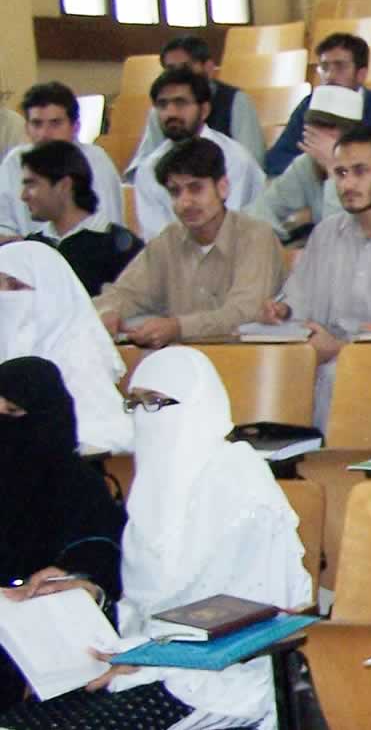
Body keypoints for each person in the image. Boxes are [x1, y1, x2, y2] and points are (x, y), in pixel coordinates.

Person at [0, 348, 309, 730]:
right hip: (147, 664)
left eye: (157, 403)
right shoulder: (153, 490)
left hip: (222, 682)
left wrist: (148, 658)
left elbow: (252, 616)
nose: (145, 417)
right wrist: (88, 591)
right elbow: (146, 604)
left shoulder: (238, 483)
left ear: (198, 403)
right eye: (135, 403)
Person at [259, 127, 371, 426]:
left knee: (332, 375)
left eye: (360, 172)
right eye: (341, 173)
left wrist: (342, 350)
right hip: (320, 364)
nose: (348, 184)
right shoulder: (325, 234)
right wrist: (281, 311)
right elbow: (298, 302)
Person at [0, 357, 128, 716]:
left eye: (12, 412)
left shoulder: (78, 484)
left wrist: (73, 576)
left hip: (40, 626)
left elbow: (99, 552)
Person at [98, 138, 287, 348]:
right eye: (175, 192)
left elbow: (243, 313)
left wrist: (177, 328)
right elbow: (126, 293)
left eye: (195, 188)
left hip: (244, 364)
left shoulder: (256, 236)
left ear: (222, 188)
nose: (184, 202)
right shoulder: (168, 240)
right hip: (180, 365)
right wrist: (109, 313)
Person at [0, 241, 133, 453]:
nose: (4, 297)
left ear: (50, 290)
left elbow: (110, 433)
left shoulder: (78, 350)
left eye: (15, 286)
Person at [245, 85, 371, 240]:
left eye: (329, 128)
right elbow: (261, 210)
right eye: (314, 125)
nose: (317, 135)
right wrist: (275, 241)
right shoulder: (305, 165)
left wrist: (334, 170)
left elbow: (346, 234)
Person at [262, 32, 371, 176]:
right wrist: (315, 168)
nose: (330, 76)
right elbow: (275, 161)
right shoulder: (309, 106)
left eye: (340, 67)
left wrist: (346, 165)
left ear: (361, 74)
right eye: (324, 67)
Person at [130, 69, 266, 241]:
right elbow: (156, 238)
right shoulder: (149, 168)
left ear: (204, 110)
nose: (171, 113)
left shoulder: (234, 159)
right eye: (163, 105)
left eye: (180, 103)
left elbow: (226, 232)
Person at [0, 82, 125, 240]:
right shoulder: (14, 162)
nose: (45, 134)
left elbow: (107, 229)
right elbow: (3, 225)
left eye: (55, 123)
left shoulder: (95, 161)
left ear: (76, 127)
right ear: (26, 128)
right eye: (37, 124)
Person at [19, 141, 143, 295]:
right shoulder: (31, 246)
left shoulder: (120, 250)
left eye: (31, 185)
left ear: (64, 185)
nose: (23, 196)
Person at [129, 36, 265, 166]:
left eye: (185, 68)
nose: (178, 75)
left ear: (209, 68)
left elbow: (251, 161)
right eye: (170, 69)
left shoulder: (236, 101)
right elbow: (146, 161)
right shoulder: (161, 111)